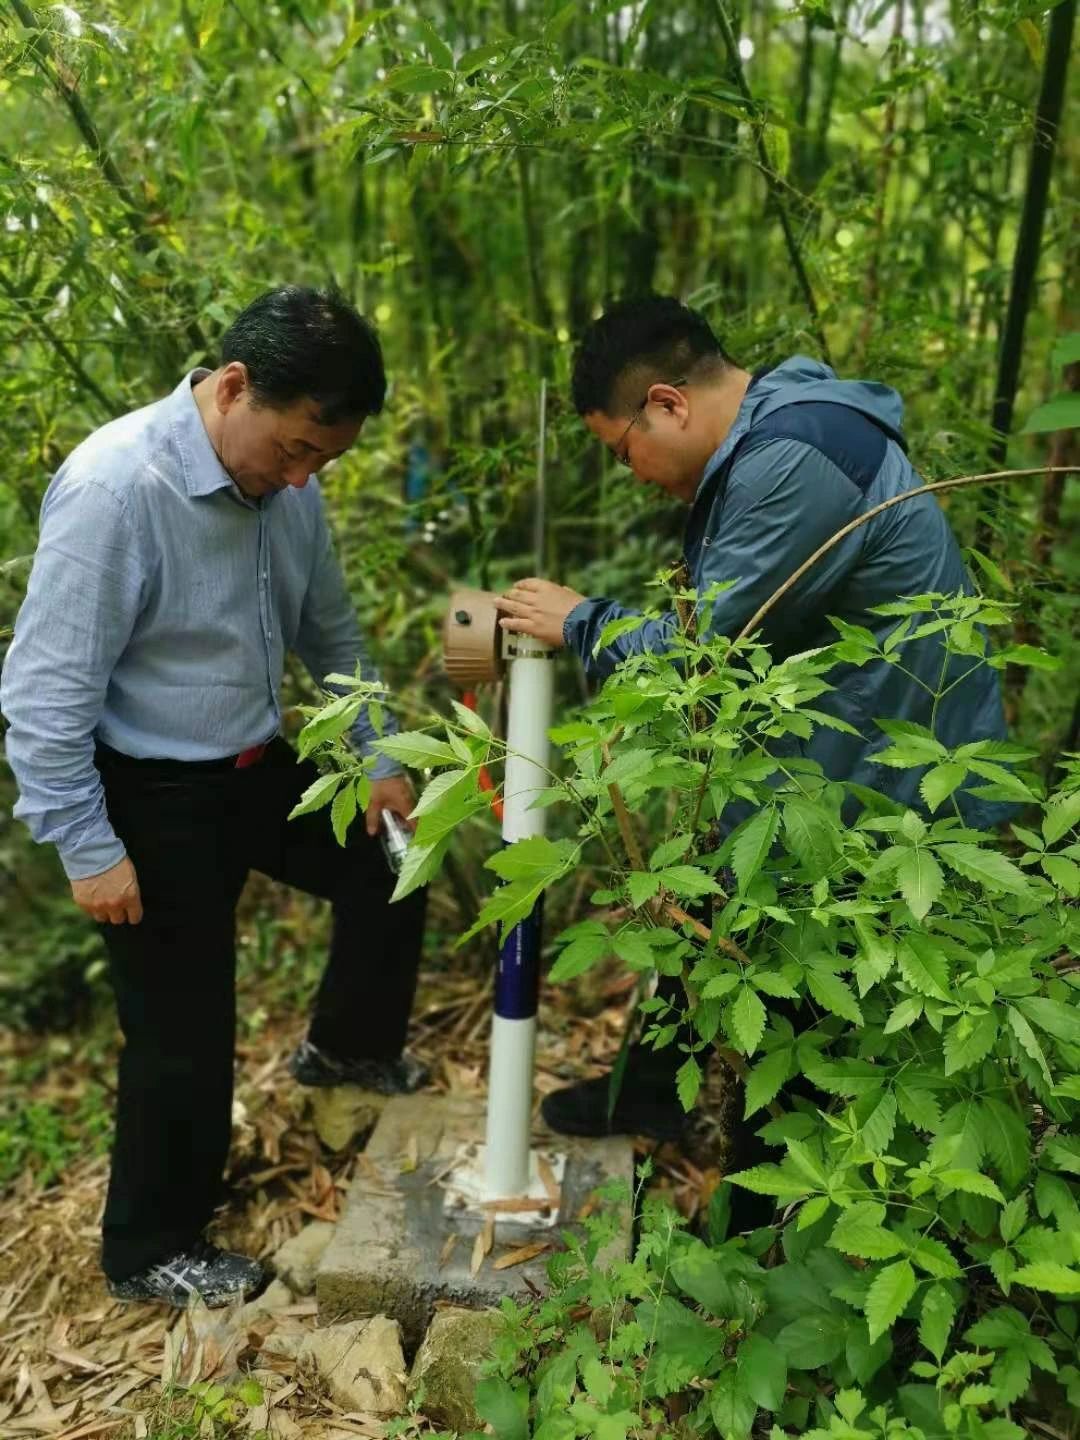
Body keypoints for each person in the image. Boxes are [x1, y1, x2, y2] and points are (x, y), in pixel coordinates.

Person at [497, 295, 1012, 1203]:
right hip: (835, 764)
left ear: (668, 404)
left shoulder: (790, 462)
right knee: (715, 894)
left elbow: (707, 658)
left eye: (623, 451)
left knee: (805, 1025)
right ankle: (659, 1093)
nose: (630, 474)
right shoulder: (780, 429)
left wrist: (582, 622)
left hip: (894, 799)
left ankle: (766, 1246)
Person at [1, 286, 427, 1306]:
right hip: (147, 794)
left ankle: (347, 1050)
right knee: (184, 1029)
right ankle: (150, 1246)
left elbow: (332, 639)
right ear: (233, 387)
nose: (302, 476)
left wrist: (375, 753)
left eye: (322, 459)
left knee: (396, 856)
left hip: (253, 763)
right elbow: (43, 695)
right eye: (293, 450)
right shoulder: (118, 489)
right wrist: (86, 845)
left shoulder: (291, 489)